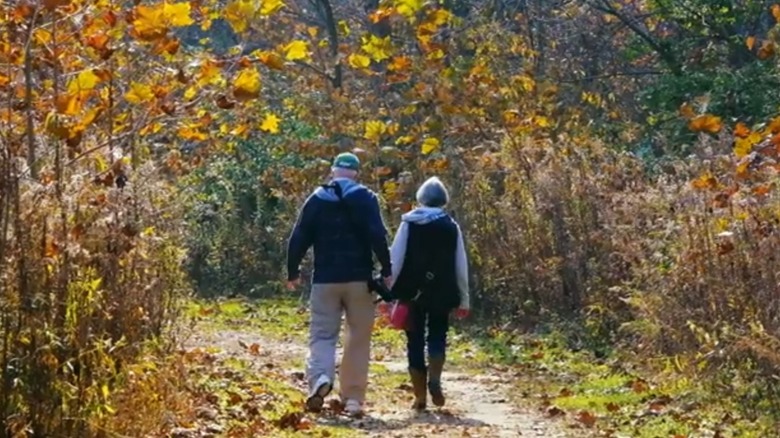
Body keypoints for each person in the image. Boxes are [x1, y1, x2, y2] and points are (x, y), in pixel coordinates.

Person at [286, 152, 393, 416]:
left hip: (325, 281)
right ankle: (353, 398)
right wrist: (387, 269)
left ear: (333, 171)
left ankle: (321, 378)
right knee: (358, 338)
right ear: (356, 173)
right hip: (360, 281)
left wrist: (292, 271)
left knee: (323, 335)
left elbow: (298, 237)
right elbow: (378, 235)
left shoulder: (317, 199)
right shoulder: (367, 198)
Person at [389, 176, 470, 411]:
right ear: (443, 200)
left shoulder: (409, 222)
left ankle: (420, 396)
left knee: (413, 340)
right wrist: (463, 297)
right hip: (443, 291)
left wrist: (390, 288)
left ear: (421, 199)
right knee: (438, 334)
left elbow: (396, 257)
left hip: (411, 291)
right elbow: (460, 264)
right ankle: (435, 379)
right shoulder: (450, 226)